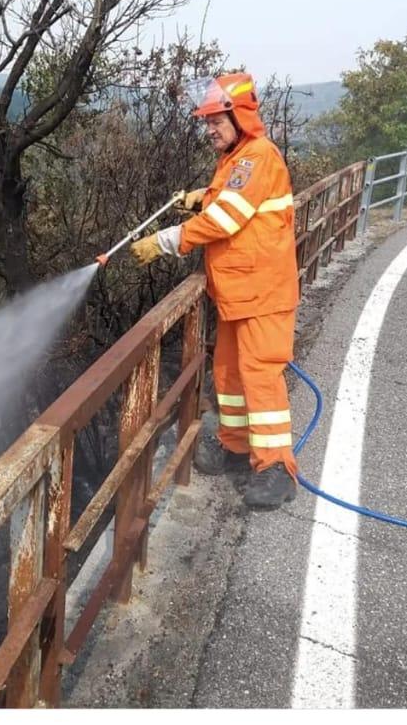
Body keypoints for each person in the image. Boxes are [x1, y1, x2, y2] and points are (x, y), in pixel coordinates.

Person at [131, 72, 299, 510]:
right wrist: (200, 197)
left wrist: (165, 240)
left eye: (216, 121)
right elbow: (228, 197)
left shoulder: (257, 156)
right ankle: (238, 449)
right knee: (229, 376)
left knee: (260, 379)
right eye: (206, 122)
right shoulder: (238, 158)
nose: (209, 130)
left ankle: (276, 468)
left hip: (262, 294)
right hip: (238, 294)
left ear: (240, 116)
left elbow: (227, 218)